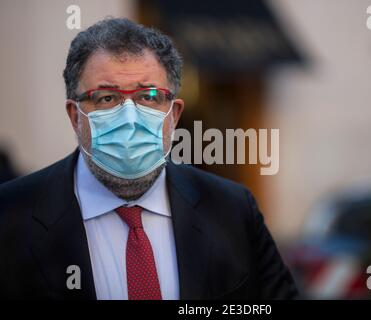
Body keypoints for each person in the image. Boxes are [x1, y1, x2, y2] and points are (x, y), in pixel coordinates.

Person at [0, 18, 298, 300]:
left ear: (174, 114)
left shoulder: (232, 210)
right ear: (75, 115)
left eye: (149, 96)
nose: (130, 119)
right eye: (106, 98)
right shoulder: (11, 215)